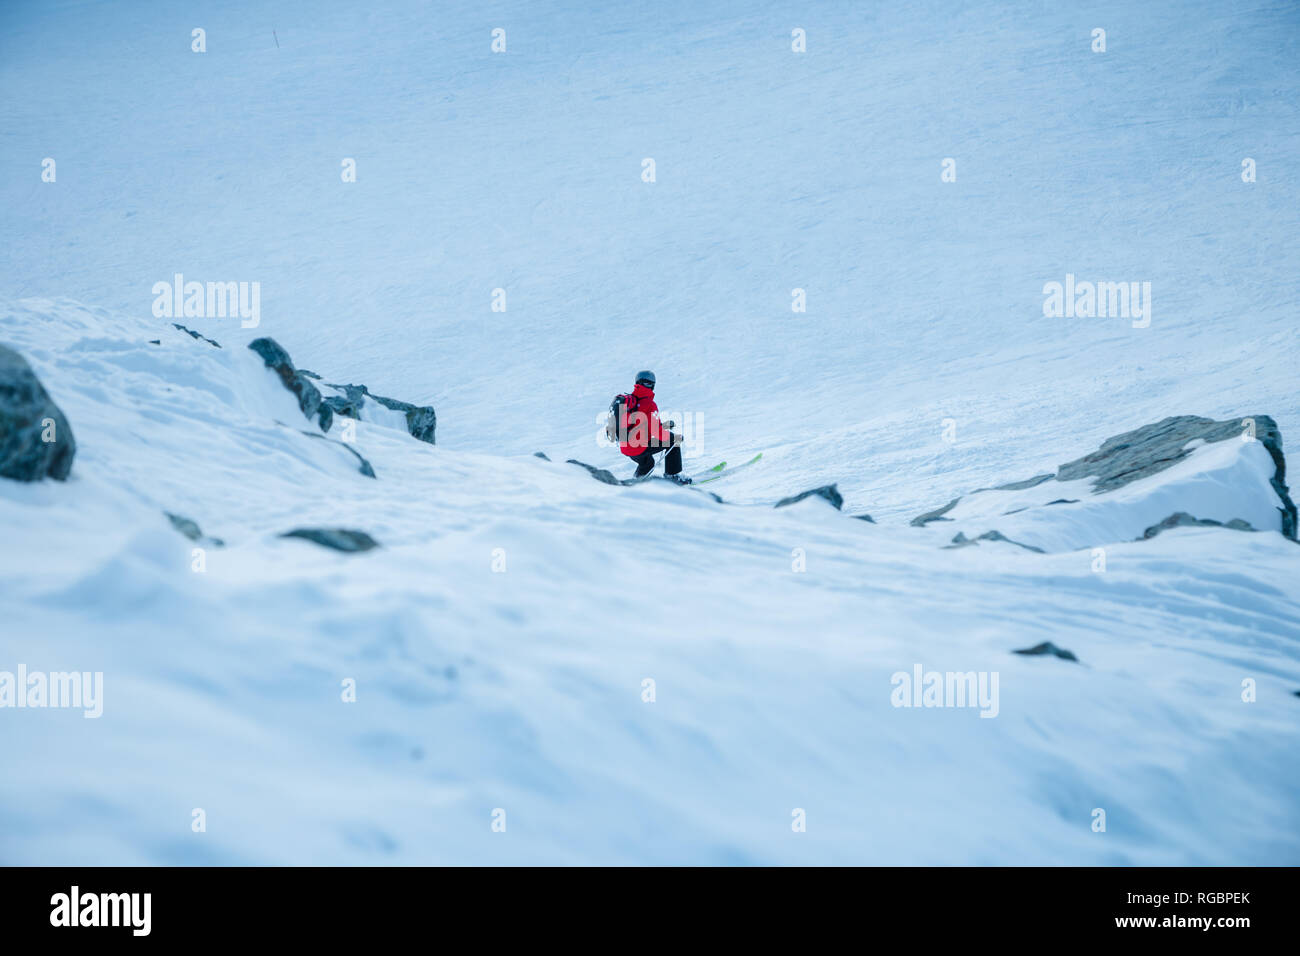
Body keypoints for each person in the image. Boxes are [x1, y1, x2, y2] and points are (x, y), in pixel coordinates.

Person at [618, 370, 691, 483]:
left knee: (647, 462)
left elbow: (638, 425)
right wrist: (676, 437)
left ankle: (638, 480)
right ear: (652, 385)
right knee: (672, 440)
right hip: (638, 447)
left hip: (625, 446)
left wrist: (664, 425)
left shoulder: (629, 401)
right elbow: (657, 432)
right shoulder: (649, 404)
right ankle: (672, 476)